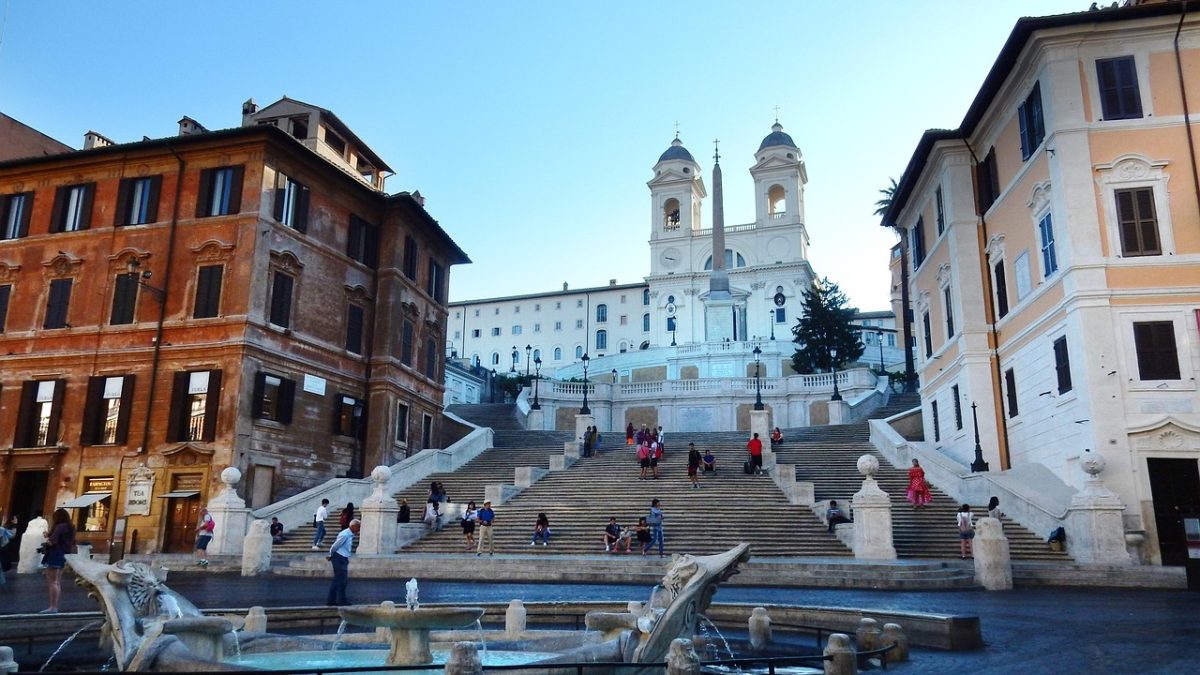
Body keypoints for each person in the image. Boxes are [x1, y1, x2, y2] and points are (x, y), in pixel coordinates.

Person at [41, 508, 76, 612]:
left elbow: (53, 541)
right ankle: (54, 606)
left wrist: (47, 540)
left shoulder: (60, 526)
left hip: (55, 554)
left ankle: (53, 606)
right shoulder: (71, 527)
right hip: (64, 555)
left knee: (52, 582)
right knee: (57, 581)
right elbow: (72, 542)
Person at [326, 518, 360, 606]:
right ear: (352, 526)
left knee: (337, 580)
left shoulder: (349, 534)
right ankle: (341, 600)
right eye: (358, 527)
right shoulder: (345, 535)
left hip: (343, 557)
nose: (359, 530)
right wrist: (330, 555)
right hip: (339, 557)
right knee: (342, 580)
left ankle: (331, 600)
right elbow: (335, 545)